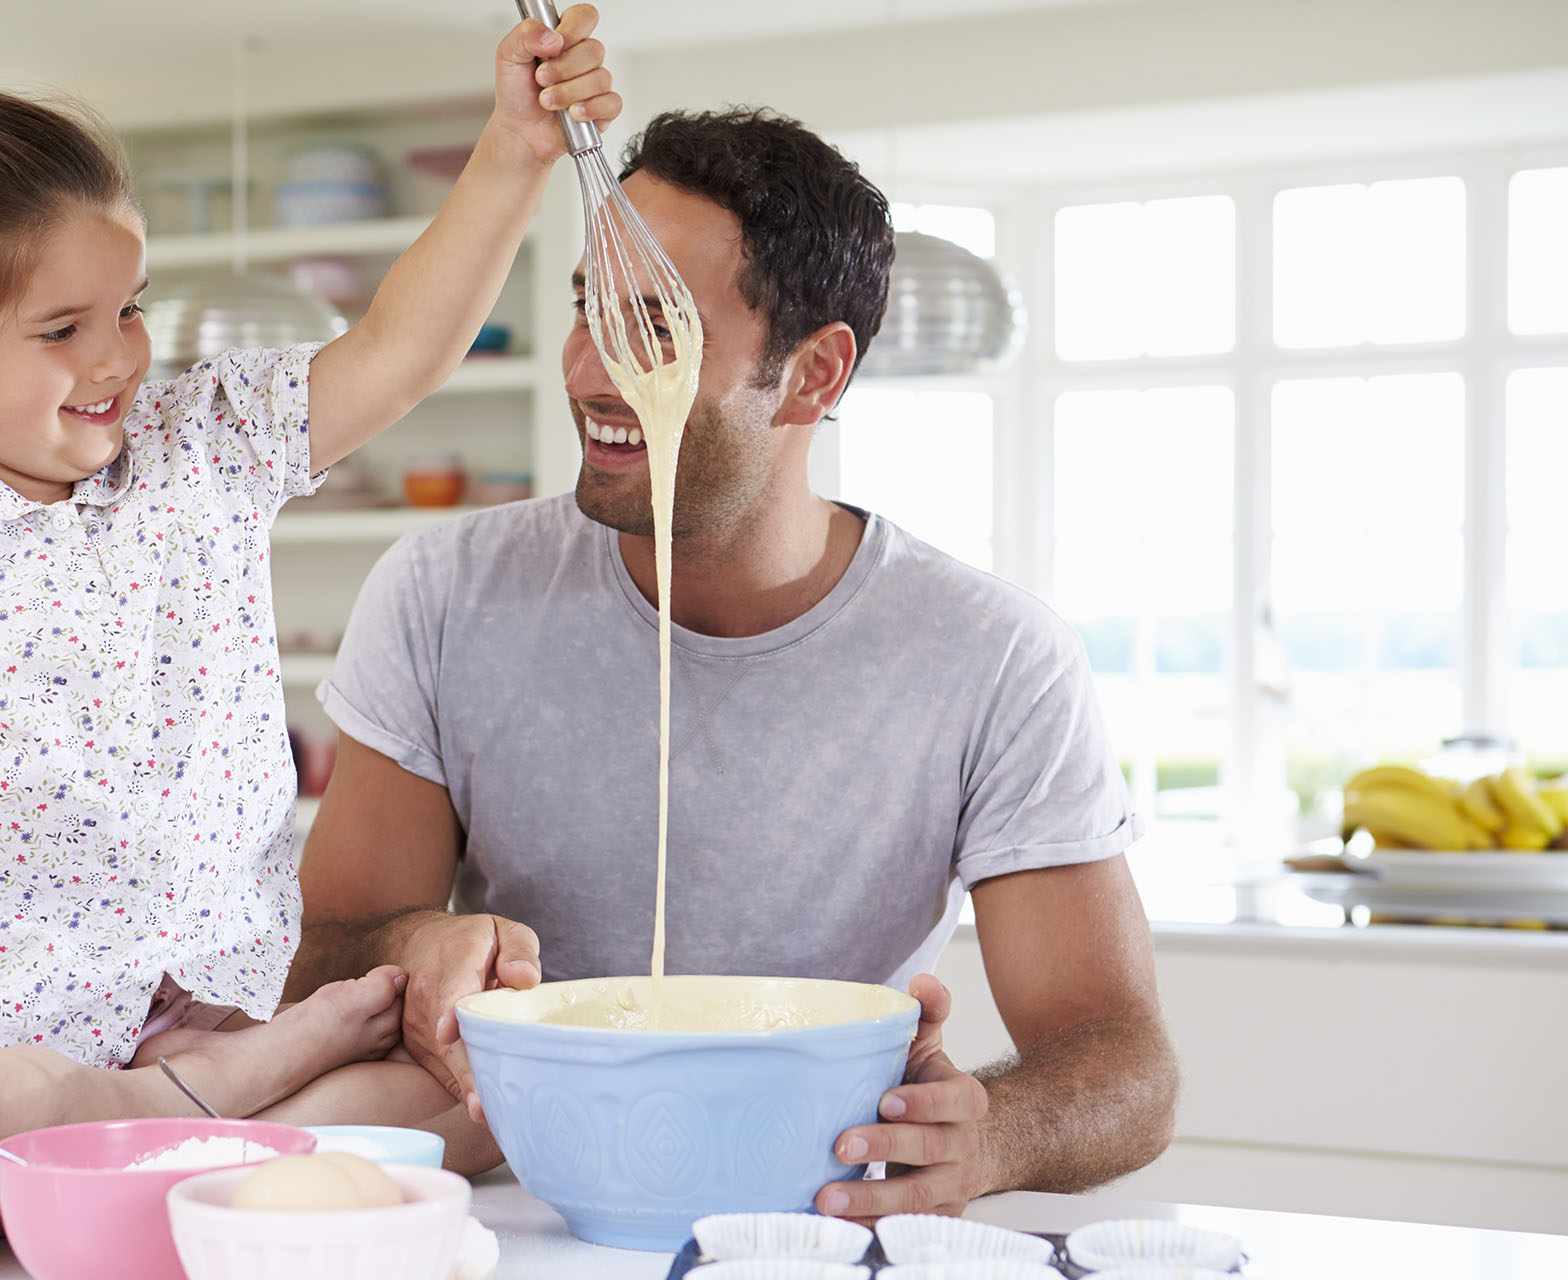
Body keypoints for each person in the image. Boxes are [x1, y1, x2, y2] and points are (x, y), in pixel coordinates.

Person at [0, 9, 619, 1258]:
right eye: (62, 330)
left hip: (199, 1014)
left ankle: (96, 1149)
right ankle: (189, 1133)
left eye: (131, 306)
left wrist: (514, 149)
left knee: (489, 1091)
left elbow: (396, 351)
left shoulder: (198, 446)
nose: (119, 354)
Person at [285, 107, 1179, 1222]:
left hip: (814, 1216)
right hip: (516, 1217)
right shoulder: (446, 592)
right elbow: (319, 957)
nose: (590, 369)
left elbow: (1123, 1063)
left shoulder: (993, 658)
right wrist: (416, 947)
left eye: (655, 327)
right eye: (587, 309)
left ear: (813, 374)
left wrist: (997, 1130)